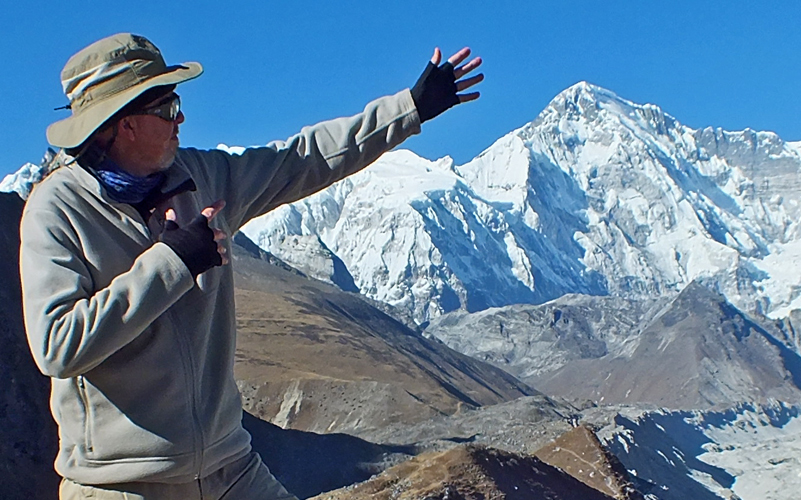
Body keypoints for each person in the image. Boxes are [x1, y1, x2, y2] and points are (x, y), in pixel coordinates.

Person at [19, 33, 482, 500]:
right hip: (120, 486)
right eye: (165, 107)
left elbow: (302, 159)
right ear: (119, 125)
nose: (181, 118)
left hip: (229, 470)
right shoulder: (56, 211)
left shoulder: (201, 178)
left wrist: (410, 109)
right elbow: (58, 346)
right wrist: (173, 261)